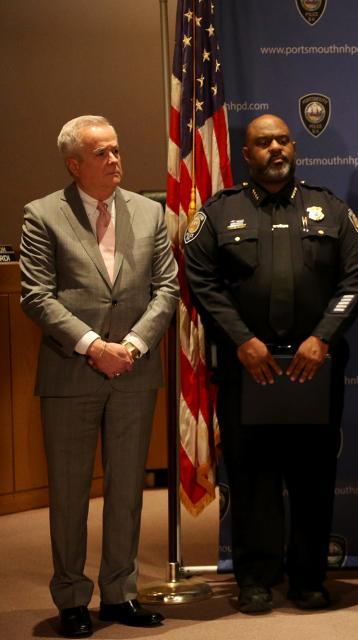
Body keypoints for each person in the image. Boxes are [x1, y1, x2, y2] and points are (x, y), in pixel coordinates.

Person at [183, 114, 358, 613]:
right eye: (264, 142)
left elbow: (356, 279)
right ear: (247, 155)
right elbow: (201, 280)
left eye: (283, 140)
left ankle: (309, 577)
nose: (276, 149)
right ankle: (256, 577)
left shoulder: (329, 208)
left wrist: (322, 338)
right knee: (251, 476)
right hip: (248, 369)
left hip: (316, 366)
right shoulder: (220, 213)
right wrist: (241, 340)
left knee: (313, 476)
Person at [19, 115, 178, 637]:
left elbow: (166, 290)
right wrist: (94, 346)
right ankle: (70, 598)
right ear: (74, 164)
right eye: (102, 153)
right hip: (71, 373)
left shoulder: (150, 212)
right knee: (68, 492)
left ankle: (119, 594)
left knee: (128, 489)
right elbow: (36, 296)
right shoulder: (43, 215)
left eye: (116, 150)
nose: (115, 160)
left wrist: (129, 346)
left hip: (133, 370)